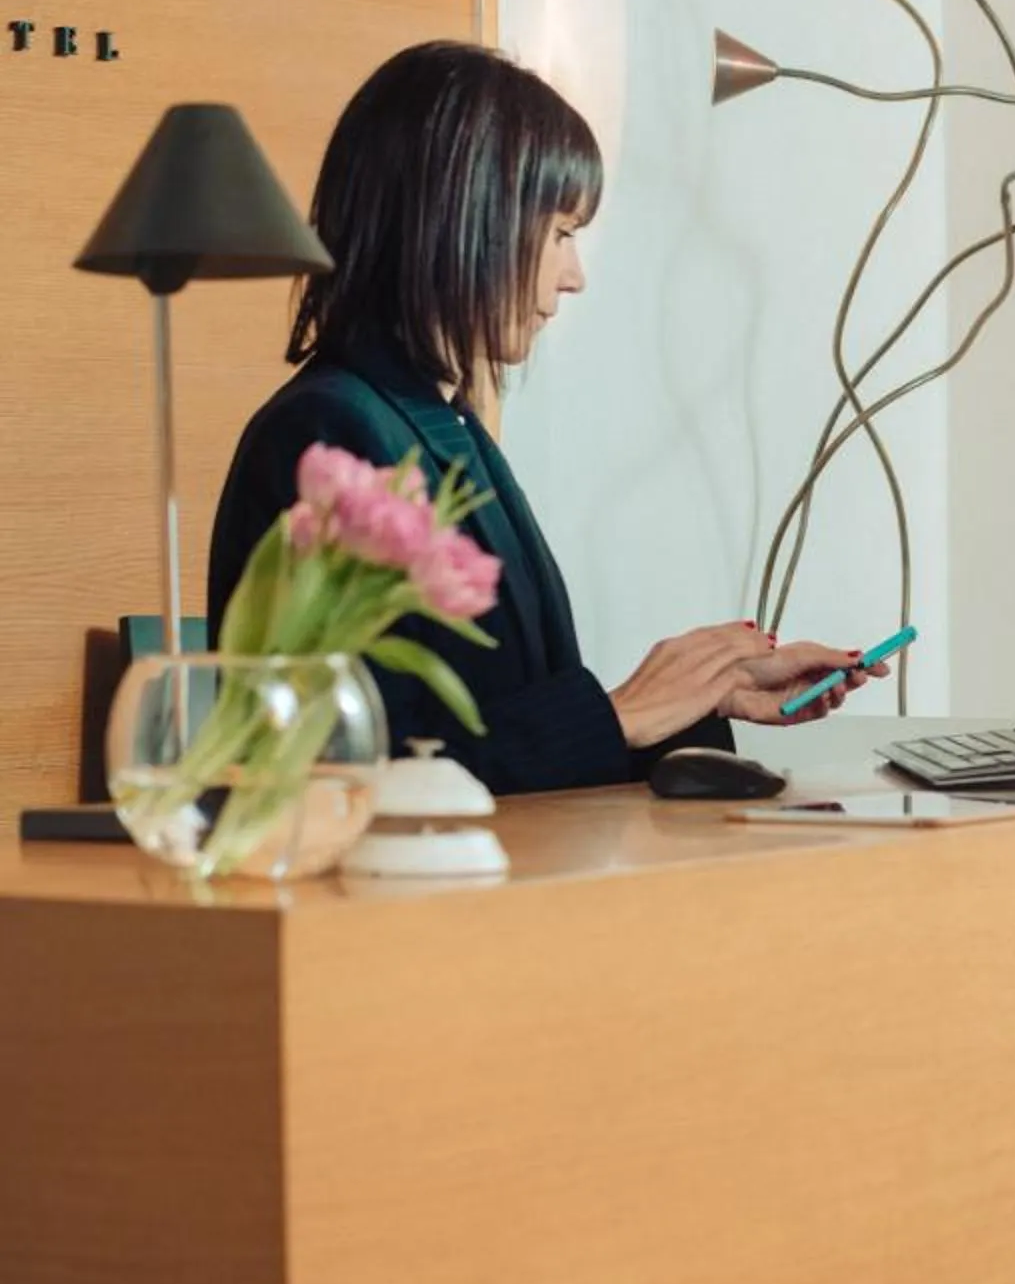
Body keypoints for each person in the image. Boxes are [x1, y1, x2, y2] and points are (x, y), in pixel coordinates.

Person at [207, 41, 878, 793]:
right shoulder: (330, 437)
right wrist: (621, 712)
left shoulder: (443, 425)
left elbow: (500, 738)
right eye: (561, 233)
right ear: (467, 217)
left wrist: (701, 698)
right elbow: (353, 773)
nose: (575, 276)